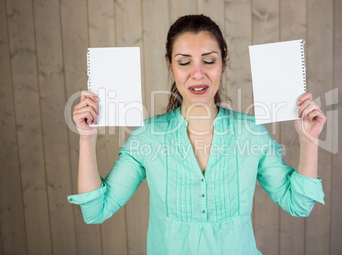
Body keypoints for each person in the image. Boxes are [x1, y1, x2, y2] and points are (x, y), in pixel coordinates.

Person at [68, 14, 326, 254]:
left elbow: (299, 204)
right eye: (184, 62)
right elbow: (96, 210)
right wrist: (86, 139)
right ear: (170, 65)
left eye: (209, 60)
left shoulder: (251, 134)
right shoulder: (148, 136)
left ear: (223, 62)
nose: (197, 74)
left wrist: (309, 140)